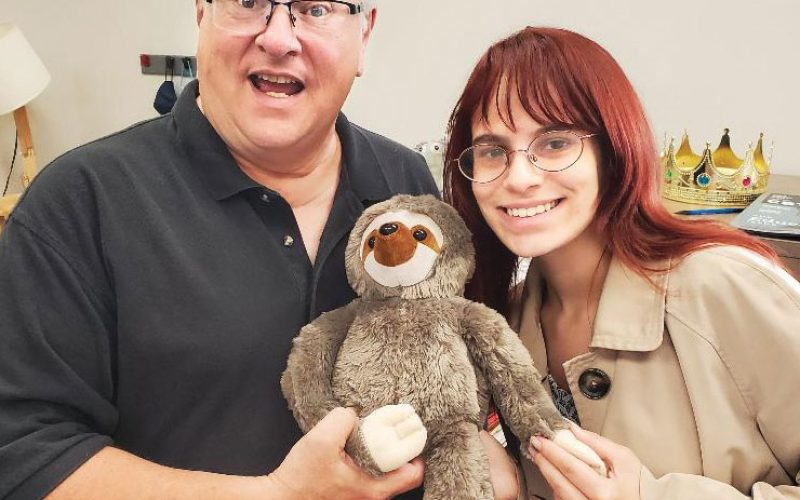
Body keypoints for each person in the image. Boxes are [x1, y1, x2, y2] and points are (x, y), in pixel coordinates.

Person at [0, 2, 519, 499]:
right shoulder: (80, 202)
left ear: (364, 35)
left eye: (316, 8)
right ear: (201, 14)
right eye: (247, 1)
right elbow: (25, 457)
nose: (277, 37)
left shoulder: (405, 183)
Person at [444, 26, 800, 500]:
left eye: (554, 143)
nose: (520, 177)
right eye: (493, 151)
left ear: (611, 152)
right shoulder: (501, 328)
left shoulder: (725, 286)